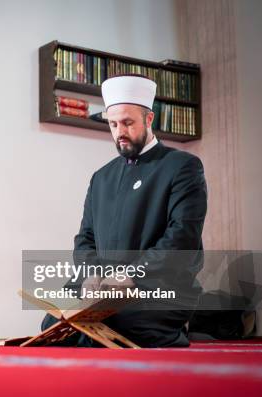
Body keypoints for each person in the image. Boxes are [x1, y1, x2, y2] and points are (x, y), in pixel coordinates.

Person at [41, 74, 208, 347]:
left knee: (119, 320)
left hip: (157, 287)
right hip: (104, 289)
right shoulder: (101, 177)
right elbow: (85, 238)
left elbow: (182, 237)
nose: (120, 132)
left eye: (128, 123)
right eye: (113, 124)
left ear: (149, 119)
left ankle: (168, 333)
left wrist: (131, 275)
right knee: (52, 322)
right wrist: (91, 274)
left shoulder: (183, 166)